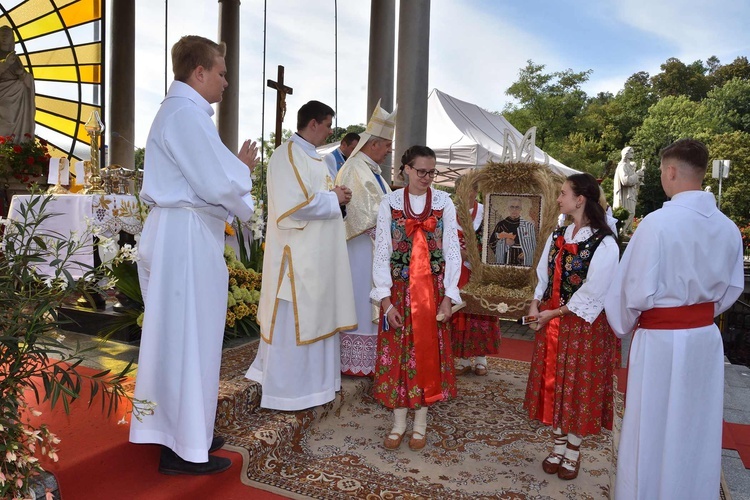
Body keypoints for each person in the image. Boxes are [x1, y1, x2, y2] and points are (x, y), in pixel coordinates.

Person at [130, 35, 259, 475]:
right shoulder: (183, 114)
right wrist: (244, 183)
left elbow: (215, 176)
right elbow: (215, 182)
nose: (226, 82)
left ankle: (190, 430)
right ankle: (181, 446)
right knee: (187, 337)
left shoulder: (187, 115)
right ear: (198, 72)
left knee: (193, 336)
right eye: (221, 73)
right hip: (183, 236)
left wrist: (236, 175)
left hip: (189, 233)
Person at [605, 139, 744, 499]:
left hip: (662, 341)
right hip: (703, 338)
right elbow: (731, 289)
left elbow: (629, 290)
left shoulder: (658, 223)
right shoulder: (728, 228)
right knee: (695, 424)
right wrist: (697, 314)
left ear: (670, 171)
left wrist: (623, 323)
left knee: (651, 424)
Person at [246, 100, 357, 411]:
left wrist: (339, 199)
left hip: (318, 257)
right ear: (312, 124)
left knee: (319, 317)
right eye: (328, 125)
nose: (331, 131)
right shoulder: (287, 155)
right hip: (297, 258)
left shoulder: (316, 159)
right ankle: (289, 391)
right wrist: (333, 197)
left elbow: (318, 200)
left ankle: (317, 387)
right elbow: (293, 206)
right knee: (294, 321)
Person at [524, 172, 619, 481]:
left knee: (578, 385)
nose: (558, 198)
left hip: (583, 325)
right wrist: (535, 304)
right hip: (555, 321)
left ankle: (573, 450)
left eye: (563, 193)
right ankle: (558, 444)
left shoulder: (605, 243)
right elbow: (543, 271)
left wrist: (553, 313)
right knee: (556, 380)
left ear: (580, 199)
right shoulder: (558, 235)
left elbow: (595, 291)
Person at [371, 145, 462, 451]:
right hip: (399, 290)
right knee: (399, 356)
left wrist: (449, 296)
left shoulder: (445, 203)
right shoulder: (390, 203)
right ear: (406, 169)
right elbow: (381, 251)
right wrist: (385, 300)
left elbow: (452, 251)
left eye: (432, 171)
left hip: (432, 293)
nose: (427, 177)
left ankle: (420, 424)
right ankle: (398, 424)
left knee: (427, 354)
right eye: (421, 171)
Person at [335, 101, 395, 376]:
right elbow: (362, 211)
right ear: (374, 144)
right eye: (386, 146)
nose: (388, 152)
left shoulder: (371, 170)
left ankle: (369, 361)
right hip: (360, 247)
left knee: (368, 296)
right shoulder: (355, 168)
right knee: (360, 297)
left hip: (374, 246)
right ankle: (355, 362)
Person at [451, 175, 502, 376]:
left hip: (480, 269)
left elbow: (495, 241)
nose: (465, 194)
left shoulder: (486, 212)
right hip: (458, 269)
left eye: (469, 189)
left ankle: (481, 359)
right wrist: (459, 253)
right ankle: (463, 359)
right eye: (460, 190)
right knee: (461, 311)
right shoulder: (450, 212)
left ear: (475, 190)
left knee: (481, 311)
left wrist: (477, 256)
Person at [0, 25, 35, 141]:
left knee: (12, 123)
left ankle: (14, 149)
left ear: (12, 38)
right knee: (6, 121)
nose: (4, 38)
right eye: (2, 35)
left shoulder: (16, 58)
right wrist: (5, 64)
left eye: (7, 35)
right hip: (3, 96)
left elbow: (26, 78)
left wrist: (22, 74)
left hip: (17, 99)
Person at [488, 196, 536, 266]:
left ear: (521, 209)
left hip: (523, 262)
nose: (514, 210)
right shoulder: (501, 225)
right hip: (505, 260)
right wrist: (504, 242)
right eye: (512, 207)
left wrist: (526, 253)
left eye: (517, 207)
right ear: (508, 208)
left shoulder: (528, 226)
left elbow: (534, 246)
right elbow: (492, 242)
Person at [613, 146, 645, 233]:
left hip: (630, 194)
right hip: (625, 195)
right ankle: (622, 232)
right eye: (631, 152)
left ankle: (627, 231)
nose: (633, 154)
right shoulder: (623, 166)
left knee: (631, 213)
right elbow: (625, 181)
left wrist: (639, 177)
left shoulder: (628, 166)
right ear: (625, 154)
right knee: (629, 213)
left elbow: (633, 181)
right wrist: (637, 174)